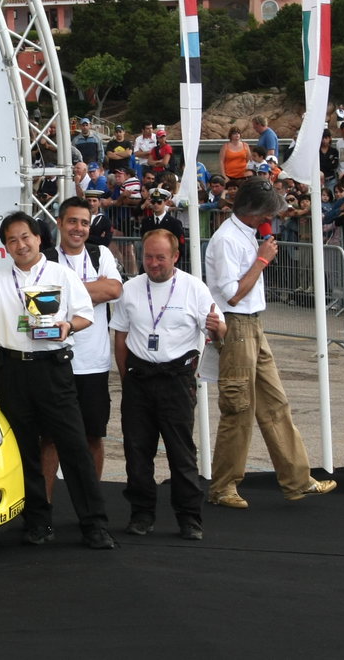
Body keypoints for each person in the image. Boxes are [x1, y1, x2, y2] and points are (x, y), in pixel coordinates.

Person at [0, 211, 115, 549]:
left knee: (74, 446)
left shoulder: (61, 274)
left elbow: (84, 315)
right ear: (5, 246)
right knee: (24, 450)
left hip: (52, 369)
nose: (20, 245)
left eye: (25, 237)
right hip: (13, 372)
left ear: (38, 238)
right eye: (11, 240)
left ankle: (94, 524)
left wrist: (67, 326)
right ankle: (37, 521)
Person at [204, 176, 336, 507]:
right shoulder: (226, 241)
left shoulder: (245, 234)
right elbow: (232, 294)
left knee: (275, 403)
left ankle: (296, 479)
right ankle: (223, 486)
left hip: (252, 325)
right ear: (256, 211)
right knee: (238, 408)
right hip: (235, 325)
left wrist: (260, 256)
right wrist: (262, 260)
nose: (272, 219)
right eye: (269, 213)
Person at [112, 229, 222, 540]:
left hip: (176, 380)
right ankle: (141, 514)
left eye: (161, 257)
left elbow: (217, 328)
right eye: (148, 256)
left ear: (175, 256)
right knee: (137, 452)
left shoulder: (194, 288)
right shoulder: (130, 289)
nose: (153, 263)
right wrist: (126, 377)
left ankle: (189, 518)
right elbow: (120, 337)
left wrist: (219, 328)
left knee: (181, 452)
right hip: (139, 379)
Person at [42, 196, 122, 496]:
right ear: (60, 223)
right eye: (72, 221)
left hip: (93, 363)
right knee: (50, 439)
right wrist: (91, 289)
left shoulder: (100, 253)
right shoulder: (45, 257)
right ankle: (45, 507)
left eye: (84, 223)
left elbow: (113, 289)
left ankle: (92, 500)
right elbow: (38, 299)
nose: (78, 228)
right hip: (54, 361)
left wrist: (66, 291)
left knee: (93, 437)